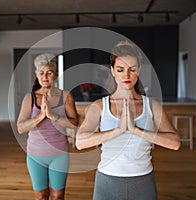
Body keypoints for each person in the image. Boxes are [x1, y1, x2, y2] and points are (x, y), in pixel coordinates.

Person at [76, 41, 181, 200]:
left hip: (143, 180)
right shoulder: (99, 106)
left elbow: (175, 143)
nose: (126, 75)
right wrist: (118, 130)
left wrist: (136, 130)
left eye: (132, 69)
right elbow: (80, 142)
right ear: (112, 71)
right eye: (120, 69)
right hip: (107, 181)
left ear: (139, 70)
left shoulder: (151, 105)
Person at [17, 53, 79, 200]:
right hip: (35, 155)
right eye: (41, 72)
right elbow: (20, 128)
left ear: (56, 74)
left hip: (59, 155)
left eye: (49, 73)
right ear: (36, 74)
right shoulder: (29, 98)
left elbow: (74, 123)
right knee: (41, 196)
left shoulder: (66, 96)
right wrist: (40, 116)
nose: (45, 76)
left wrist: (53, 116)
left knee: (57, 196)